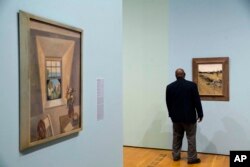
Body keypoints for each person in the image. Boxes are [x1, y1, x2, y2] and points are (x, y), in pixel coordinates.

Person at [166, 68, 203, 164]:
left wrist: (171, 114)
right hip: (189, 117)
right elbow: (197, 101)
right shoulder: (192, 86)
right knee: (191, 137)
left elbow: (168, 103)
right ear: (184, 74)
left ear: (175, 75)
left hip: (176, 118)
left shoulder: (169, 87)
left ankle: (176, 156)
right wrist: (200, 113)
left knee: (177, 137)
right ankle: (191, 158)